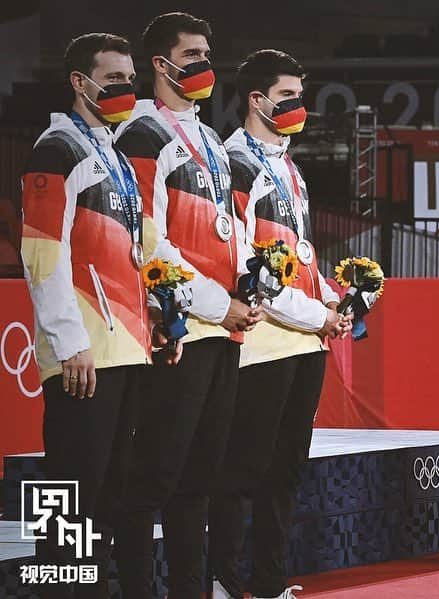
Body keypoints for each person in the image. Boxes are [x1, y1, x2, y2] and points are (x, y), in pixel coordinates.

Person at [19, 32, 178, 599]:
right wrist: (69, 343)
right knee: (67, 492)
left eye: (129, 80)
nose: (124, 89)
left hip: (126, 345)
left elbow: (131, 254)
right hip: (84, 351)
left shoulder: (107, 150)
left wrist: (157, 318)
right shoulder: (55, 150)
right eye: (112, 80)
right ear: (78, 83)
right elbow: (42, 252)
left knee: (108, 495)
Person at [113, 12, 260, 598]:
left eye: (207, 53)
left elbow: (229, 232)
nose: (204, 65)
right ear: (160, 63)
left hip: (223, 331)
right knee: (156, 476)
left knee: (200, 478)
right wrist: (213, 302)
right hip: (176, 332)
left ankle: (190, 590)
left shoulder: (212, 143)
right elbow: (150, 241)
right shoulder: (141, 135)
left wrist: (248, 287)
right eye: (192, 55)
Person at [209, 49, 352, 599]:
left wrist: (333, 301)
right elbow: (246, 265)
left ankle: (267, 585)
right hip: (259, 340)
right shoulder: (233, 164)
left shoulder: (288, 165)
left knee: (285, 472)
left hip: (304, 341)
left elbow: (303, 253)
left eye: (300, 95)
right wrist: (319, 314)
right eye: (287, 96)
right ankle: (225, 581)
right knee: (242, 470)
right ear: (256, 100)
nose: (299, 106)